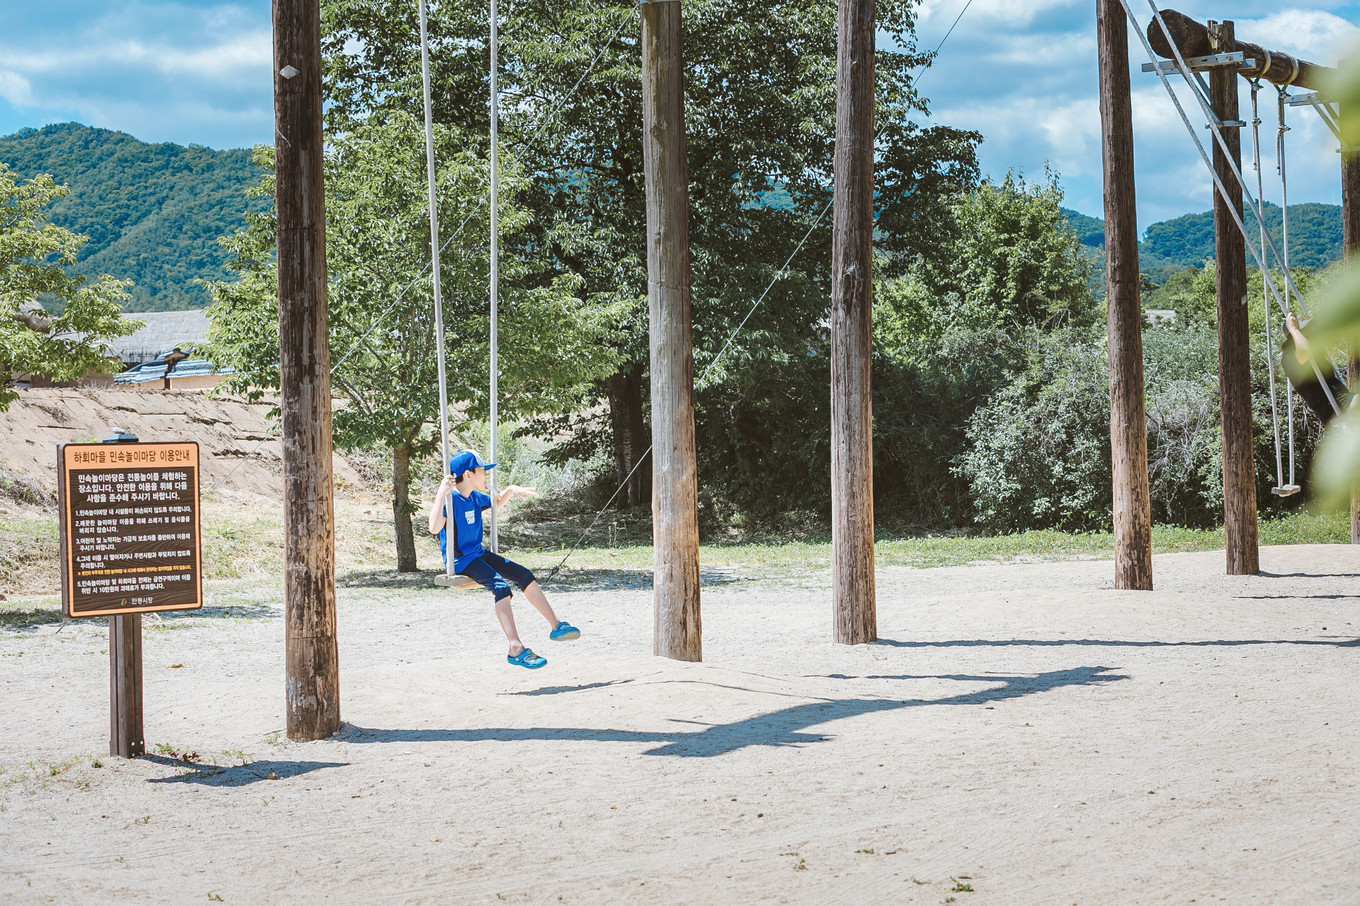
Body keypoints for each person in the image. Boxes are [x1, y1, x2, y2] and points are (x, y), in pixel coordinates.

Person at [427, 449, 579, 668]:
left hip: (478, 554)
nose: (486, 476)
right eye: (482, 471)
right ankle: (515, 648)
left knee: (524, 575)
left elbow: (496, 503)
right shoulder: (450, 501)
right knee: (501, 587)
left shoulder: (475, 497)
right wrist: (441, 493)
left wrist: (509, 490)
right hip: (462, 561)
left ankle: (557, 625)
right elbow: (433, 528)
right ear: (468, 474)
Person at [1282, 314, 1348, 424]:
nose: (1309, 331)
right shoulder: (1289, 357)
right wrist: (1293, 329)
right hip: (1330, 406)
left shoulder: (1313, 352)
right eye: (1306, 329)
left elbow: (1329, 351)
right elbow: (1304, 351)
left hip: (1340, 398)